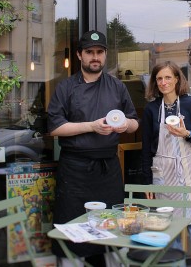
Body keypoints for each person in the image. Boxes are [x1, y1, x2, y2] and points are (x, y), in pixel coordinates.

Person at [48, 30, 139, 266]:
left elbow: (134, 122)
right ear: (80, 55)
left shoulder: (117, 86)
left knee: (111, 229)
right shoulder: (66, 87)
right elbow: (55, 128)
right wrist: (91, 126)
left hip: (108, 170)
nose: (95, 57)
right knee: (72, 230)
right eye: (90, 52)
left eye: (99, 52)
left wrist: (125, 125)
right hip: (74, 171)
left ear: (105, 55)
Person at [141, 61, 191, 267]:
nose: (163, 82)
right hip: (162, 176)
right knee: (169, 236)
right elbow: (146, 149)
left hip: (186, 175)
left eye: (167, 78)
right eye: (159, 79)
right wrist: (147, 182)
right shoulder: (151, 109)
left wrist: (187, 133)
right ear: (155, 83)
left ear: (176, 79)